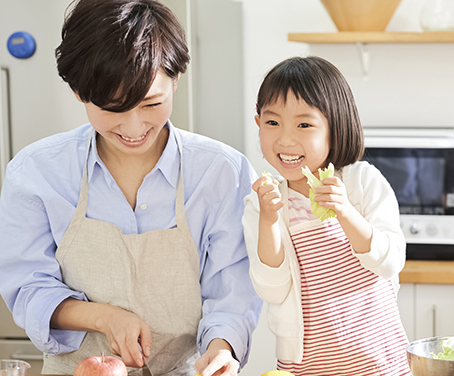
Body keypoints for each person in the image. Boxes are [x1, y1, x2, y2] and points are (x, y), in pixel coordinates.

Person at [0, 1, 262, 375]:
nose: (134, 127)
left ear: (175, 80)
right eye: (112, 108)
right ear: (79, 93)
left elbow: (232, 292)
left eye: (152, 103)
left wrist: (222, 348)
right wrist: (104, 317)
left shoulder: (223, 172)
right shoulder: (37, 171)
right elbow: (27, 287)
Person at [242, 56, 412, 375]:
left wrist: (345, 212)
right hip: (304, 366)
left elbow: (390, 262)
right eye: (272, 122)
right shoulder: (261, 203)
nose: (285, 139)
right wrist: (268, 221)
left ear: (336, 126)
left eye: (304, 124)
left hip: (378, 360)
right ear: (258, 123)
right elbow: (272, 290)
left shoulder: (361, 182)